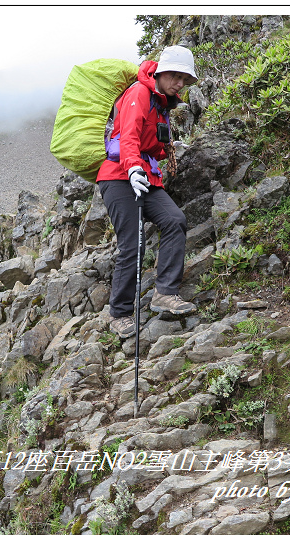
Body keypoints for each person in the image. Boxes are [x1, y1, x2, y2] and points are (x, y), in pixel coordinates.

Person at [97, 45, 198, 339]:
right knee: (133, 243)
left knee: (174, 220)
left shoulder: (162, 103)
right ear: (162, 71)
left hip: (146, 177)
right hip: (118, 177)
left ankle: (164, 293)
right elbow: (127, 136)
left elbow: (149, 144)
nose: (180, 83)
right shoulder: (139, 94)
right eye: (176, 76)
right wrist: (131, 168)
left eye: (185, 79)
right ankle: (119, 314)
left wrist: (166, 149)